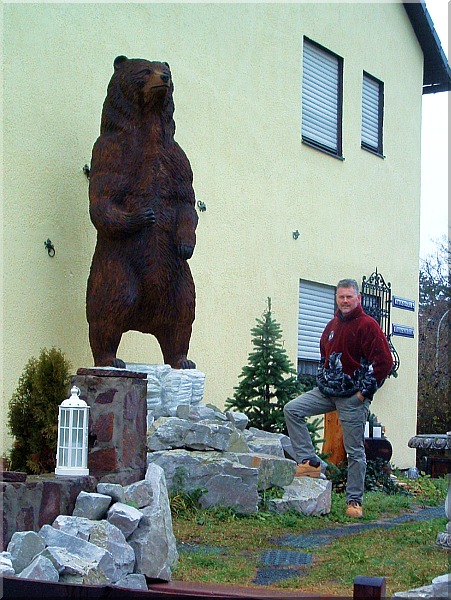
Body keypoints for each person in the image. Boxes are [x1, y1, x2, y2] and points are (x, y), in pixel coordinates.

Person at [284, 278, 393, 518]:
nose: (345, 301)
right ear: (337, 298)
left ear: (358, 299)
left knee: (354, 451)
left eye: (349, 297)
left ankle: (354, 501)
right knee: (292, 409)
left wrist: (362, 393)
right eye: (341, 297)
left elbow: (385, 362)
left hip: (352, 398)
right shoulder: (332, 325)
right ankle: (310, 463)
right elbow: (325, 354)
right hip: (326, 392)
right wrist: (323, 378)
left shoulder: (368, 325)